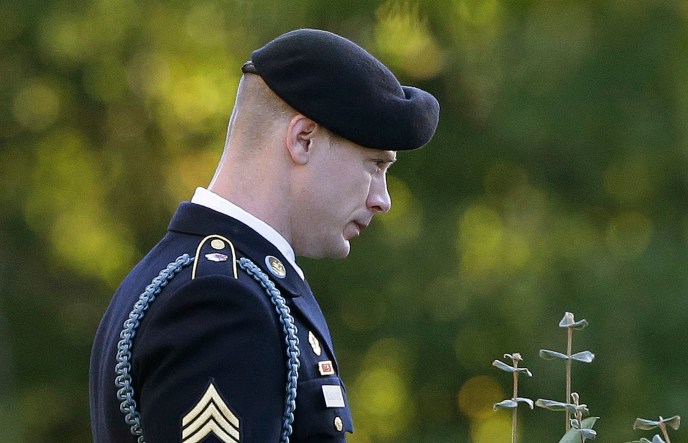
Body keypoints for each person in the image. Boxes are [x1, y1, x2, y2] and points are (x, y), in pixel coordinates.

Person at [89, 28, 439, 443]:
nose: (382, 200)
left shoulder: (195, 276)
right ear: (302, 140)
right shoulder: (220, 300)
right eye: (374, 165)